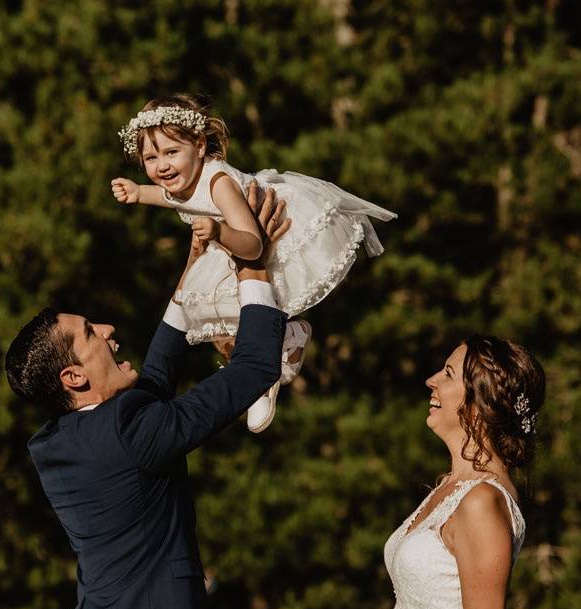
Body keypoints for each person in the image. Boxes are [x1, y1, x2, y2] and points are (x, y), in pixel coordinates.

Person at [5, 188, 288, 609]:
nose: (107, 329)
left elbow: (153, 382)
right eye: (90, 334)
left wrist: (194, 266)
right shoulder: (129, 431)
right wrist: (253, 260)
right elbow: (253, 369)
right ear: (73, 378)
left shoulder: (53, 443)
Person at [111, 94, 396, 432]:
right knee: (212, 317)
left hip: (260, 233)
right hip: (230, 242)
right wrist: (139, 193)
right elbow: (170, 196)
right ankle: (276, 350)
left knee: (219, 309)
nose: (161, 166)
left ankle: (263, 369)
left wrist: (217, 230)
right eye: (150, 157)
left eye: (172, 152)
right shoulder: (180, 183)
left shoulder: (219, 186)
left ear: (200, 145)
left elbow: (252, 243)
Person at [383, 335, 545, 609]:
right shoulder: (451, 488)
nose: (431, 381)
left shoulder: (481, 500)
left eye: (447, 374)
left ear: (479, 402)